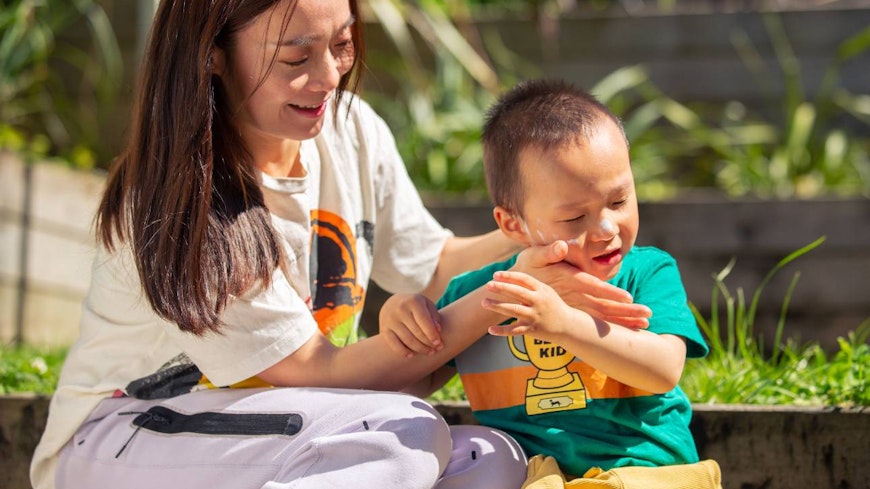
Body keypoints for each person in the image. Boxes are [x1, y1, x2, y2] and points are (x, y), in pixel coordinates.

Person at [30, 3, 653, 489]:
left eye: (342, 43)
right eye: (295, 56)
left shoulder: (350, 130)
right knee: (405, 433)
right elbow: (316, 371)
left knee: (494, 459)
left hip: (290, 436)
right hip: (127, 442)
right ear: (212, 54)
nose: (328, 76)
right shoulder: (181, 200)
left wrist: (558, 226)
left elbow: (434, 266)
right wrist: (502, 297)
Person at [382, 79, 714, 481]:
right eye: (575, 218)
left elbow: (662, 368)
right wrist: (400, 315)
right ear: (512, 224)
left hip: (644, 470)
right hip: (534, 475)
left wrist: (564, 324)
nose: (607, 227)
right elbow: (409, 383)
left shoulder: (646, 272)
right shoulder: (479, 297)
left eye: (619, 200)